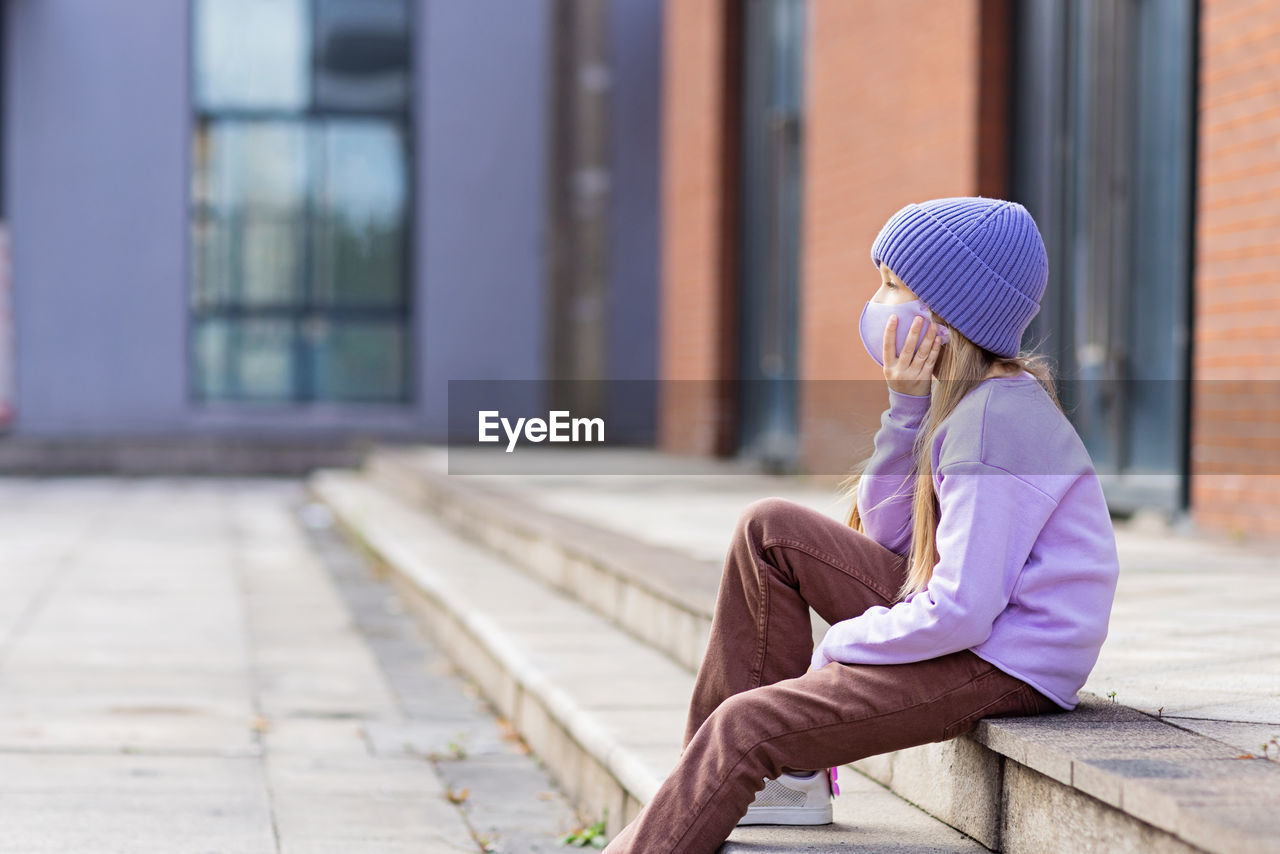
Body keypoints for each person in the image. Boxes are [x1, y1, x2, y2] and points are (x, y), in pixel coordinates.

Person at [602, 196, 1121, 853]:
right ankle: (763, 789)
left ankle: (684, 815)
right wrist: (905, 410)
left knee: (747, 725)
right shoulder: (964, 405)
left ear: (949, 311)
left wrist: (844, 644)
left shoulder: (995, 425)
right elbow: (889, 545)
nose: (876, 302)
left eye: (892, 286)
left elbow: (963, 610)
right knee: (771, 530)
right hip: (980, 627)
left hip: (1006, 660)